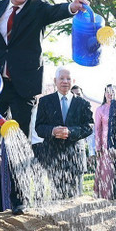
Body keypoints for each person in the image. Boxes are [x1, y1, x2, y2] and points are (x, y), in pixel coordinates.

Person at [0, 0, 89, 215]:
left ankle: (19, 198)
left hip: (25, 86)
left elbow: (57, 11)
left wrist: (72, 8)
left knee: (19, 140)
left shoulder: (38, 6)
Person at [34, 66, 93, 200]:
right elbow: (39, 127)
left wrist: (71, 132)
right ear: (55, 80)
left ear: (73, 81)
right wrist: (53, 131)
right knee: (56, 198)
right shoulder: (45, 101)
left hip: (75, 156)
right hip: (52, 155)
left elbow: (89, 126)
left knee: (75, 198)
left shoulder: (83, 103)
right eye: (61, 78)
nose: (65, 81)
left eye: (68, 78)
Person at [92, 85, 116, 199]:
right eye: (108, 92)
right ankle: (105, 197)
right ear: (104, 94)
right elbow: (97, 129)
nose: (110, 94)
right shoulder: (100, 109)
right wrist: (98, 148)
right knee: (107, 172)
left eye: (112, 92)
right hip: (104, 145)